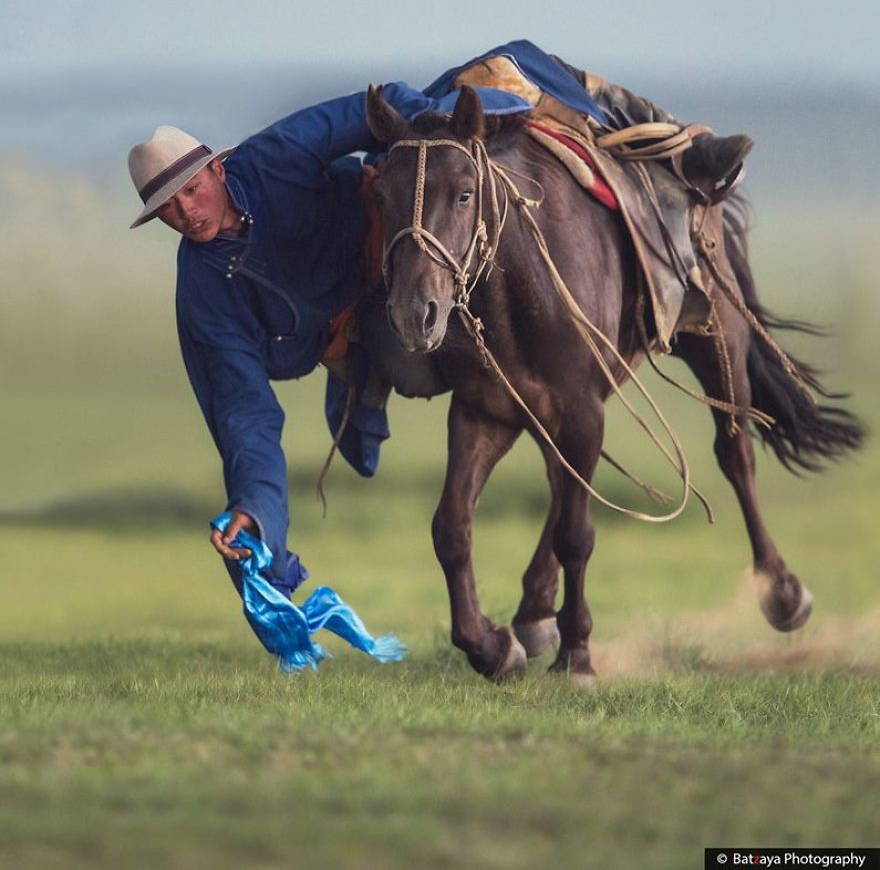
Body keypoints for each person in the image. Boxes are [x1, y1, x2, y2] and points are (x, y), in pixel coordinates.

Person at [127, 40, 752, 604]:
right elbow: (242, 411)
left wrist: (438, 128)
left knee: (513, 62)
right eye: (167, 209)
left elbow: (373, 106)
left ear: (214, 168)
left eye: (190, 190)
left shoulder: (274, 156)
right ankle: (361, 389)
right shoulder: (204, 292)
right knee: (419, 372)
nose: (186, 212)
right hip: (361, 320)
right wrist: (253, 510)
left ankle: (685, 153)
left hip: (394, 245)